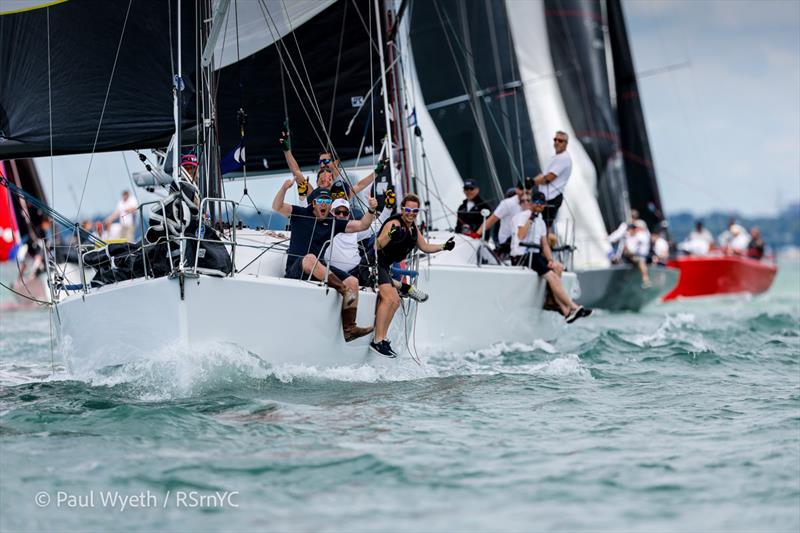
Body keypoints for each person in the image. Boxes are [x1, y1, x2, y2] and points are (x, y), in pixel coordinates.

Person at [272, 181, 377, 342]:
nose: (324, 205)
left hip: (318, 269)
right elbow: (276, 206)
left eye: (327, 202)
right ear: (313, 203)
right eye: (320, 201)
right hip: (296, 269)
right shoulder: (299, 213)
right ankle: (343, 290)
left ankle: (349, 328)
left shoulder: (332, 221)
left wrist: (371, 210)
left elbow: (363, 225)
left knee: (353, 281)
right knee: (310, 258)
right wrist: (284, 188)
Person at [371, 194, 455, 357]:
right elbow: (376, 245)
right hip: (374, 264)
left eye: (415, 210)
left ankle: (383, 338)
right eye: (408, 210)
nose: (411, 213)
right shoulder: (394, 223)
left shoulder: (413, 228)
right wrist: (390, 234)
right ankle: (377, 341)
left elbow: (425, 247)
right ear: (402, 209)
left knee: (395, 301)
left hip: (385, 267)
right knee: (389, 298)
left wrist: (444, 246)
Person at [511, 191, 590, 322]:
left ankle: (562, 309)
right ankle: (572, 306)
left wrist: (550, 260)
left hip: (535, 254)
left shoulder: (541, 221)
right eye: (537, 203)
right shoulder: (522, 216)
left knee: (558, 268)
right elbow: (520, 236)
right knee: (552, 276)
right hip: (522, 255)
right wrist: (530, 219)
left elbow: (545, 244)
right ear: (531, 203)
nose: (539, 206)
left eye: (542, 204)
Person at [280, 126, 384, 204]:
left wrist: (376, 172)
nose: (322, 165)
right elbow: (296, 172)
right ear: (317, 182)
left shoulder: (343, 189)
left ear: (336, 162)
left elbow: (360, 185)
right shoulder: (315, 192)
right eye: (320, 162)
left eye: (325, 161)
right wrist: (286, 150)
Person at [323, 196, 392, 287]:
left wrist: (388, 207)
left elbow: (377, 225)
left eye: (345, 213)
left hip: (356, 274)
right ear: (331, 212)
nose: (341, 215)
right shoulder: (323, 227)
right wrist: (302, 197)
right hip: (331, 275)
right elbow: (306, 217)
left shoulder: (354, 229)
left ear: (348, 215)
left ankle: (404, 287)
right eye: (338, 212)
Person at [529, 131, 572, 228]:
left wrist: (531, 182)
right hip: (547, 198)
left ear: (566, 143)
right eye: (555, 140)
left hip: (552, 198)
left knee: (545, 227)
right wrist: (532, 182)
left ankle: (545, 243)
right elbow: (544, 175)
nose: (557, 142)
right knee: (542, 225)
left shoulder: (564, 158)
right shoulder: (557, 157)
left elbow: (548, 178)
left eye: (560, 140)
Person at [476, 181, 524, 256]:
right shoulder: (506, 204)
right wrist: (477, 234)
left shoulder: (529, 205)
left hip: (522, 244)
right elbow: (492, 222)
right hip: (507, 245)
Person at [613, 220, 652, 287]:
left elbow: (640, 248)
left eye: (636, 227)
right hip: (629, 256)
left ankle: (646, 280)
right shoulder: (629, 235)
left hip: (638, 257)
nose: (635, 229)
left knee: (640, 262)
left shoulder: (642, 236)